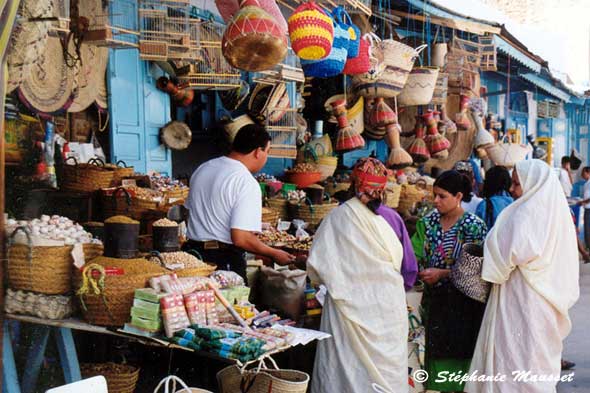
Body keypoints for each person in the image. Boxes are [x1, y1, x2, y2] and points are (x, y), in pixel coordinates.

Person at [466, 159, 580, 393]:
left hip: (521, 300)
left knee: (514, 358)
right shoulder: (555, 214)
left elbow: (505, 256)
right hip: (544, 303)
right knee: (534, 359)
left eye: (517, 184)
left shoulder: (526, 213)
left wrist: (491, 249)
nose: (512, 190)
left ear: (532, 184)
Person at [308, 158, 410, 393]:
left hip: (348, 313)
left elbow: (317, 267)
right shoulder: (388, 221)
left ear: (354, 183)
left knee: (345, 374)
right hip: (388, 311)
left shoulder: (338, 218)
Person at [183, 124, 294, 282]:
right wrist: (274, 253)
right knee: (232, 306)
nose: (266, 157)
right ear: (258, 152)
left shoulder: (203, 168)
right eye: (267, 152)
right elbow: (241, 238)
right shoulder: (246, 182)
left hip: (193, 255)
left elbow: (196, 210)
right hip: (222, 260)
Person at [411, 170, 487, 393]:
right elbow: (414, 256)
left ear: (459, 196)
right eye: (434, 195)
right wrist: (418, 271)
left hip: (464, 305)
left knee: (460, 355)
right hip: (433, 302)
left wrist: (442, 274)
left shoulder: (473, 226)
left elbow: (477, 267)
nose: (436, 201)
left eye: (442, 196)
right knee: (434, 355)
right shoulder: (428, 223)